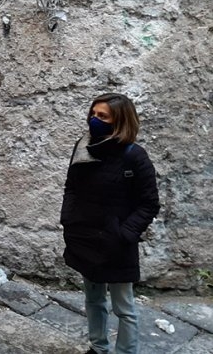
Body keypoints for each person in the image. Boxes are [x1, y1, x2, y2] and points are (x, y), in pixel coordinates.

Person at [61, 93, 160, 354]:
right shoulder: (83, 147)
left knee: (123, 307)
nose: (95, 120)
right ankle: (98, 348)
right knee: (93, 299)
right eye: (93, 114)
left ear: (120, 120)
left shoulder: (134, 156)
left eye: (102, 116)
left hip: (116, 244)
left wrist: (124, 234)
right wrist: (68, 218)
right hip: (84, 238)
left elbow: (149, 204)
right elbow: (71, 186)